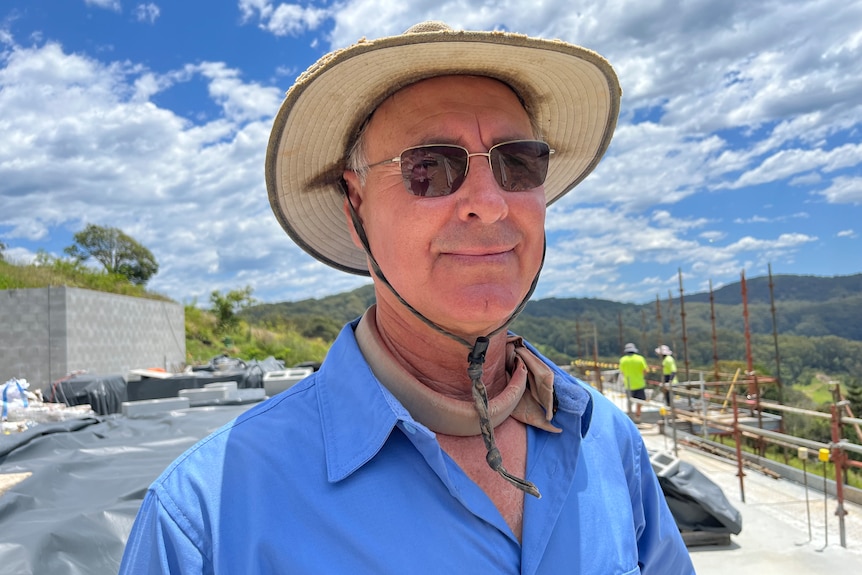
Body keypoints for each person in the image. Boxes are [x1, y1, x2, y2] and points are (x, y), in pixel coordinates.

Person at [119, 22, 694, 574]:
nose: (489, 203)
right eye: (431, 167)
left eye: (517, 163)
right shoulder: (206, 520)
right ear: (355, 205)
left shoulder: (607, 441)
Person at [619, 342, 649, 422]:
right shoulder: (640, 358)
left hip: (628, 385)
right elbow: (645, 370)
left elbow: (622, 372)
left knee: (629, 401)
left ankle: (629, 417)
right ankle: (638, 416)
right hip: (639, 384)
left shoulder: (623, 360)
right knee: (640, 401)